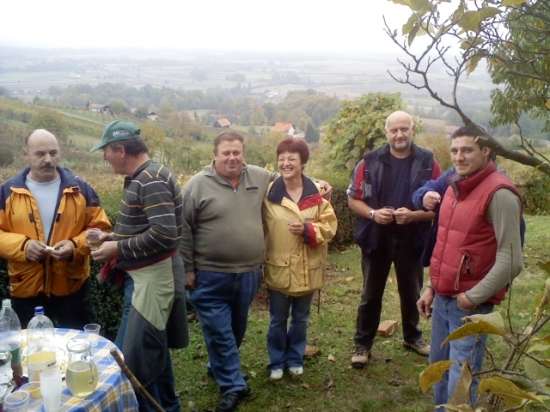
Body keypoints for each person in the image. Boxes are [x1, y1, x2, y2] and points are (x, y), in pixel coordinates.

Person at [416, 125, 523, 408]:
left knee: (461, 379)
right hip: (442, 298)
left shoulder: (500, 193)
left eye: (467, 150)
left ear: (486, 151)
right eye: (454, 150)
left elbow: (512, 259)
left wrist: (471, 298)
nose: (459, 157)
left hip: (470, 306)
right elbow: (445, 244)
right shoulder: (454, 185)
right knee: (438, 367)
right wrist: (431, 287)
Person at [90, 120, 188, 412]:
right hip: (143, 279)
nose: (105, 157)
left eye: (107, 151)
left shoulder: (151, 180)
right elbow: (147, 227)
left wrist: (116, 248)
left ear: (121, 149)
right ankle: (169, 407)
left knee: (136, 362)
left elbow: (164, 234)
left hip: (152, 282)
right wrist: (110, 236)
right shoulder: (143, 176)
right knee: (153, 350)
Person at [347, 111, 441, 368]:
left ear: (412, 130)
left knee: (411, 292)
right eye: (394, 130)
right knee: (370, 294)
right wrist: (374, 214)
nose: (399, 135)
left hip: (413, 238)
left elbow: (441, 206)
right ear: (386, 132)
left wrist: (413, 216)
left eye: (404, 129)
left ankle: (413, 338)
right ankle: (362, 344)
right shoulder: (368, 162)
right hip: (375, 237)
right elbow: (353, 200)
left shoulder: (429, 162)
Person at [0, 129, 111, 328]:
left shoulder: (81, 189)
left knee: (77, 343)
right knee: (30, 346)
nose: (48, 159)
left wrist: (74, 246)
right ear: (26, 154)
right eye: (40, 154)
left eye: (53, 153)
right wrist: (23, 247)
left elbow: (100, 229)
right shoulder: (7, 192)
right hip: (26, 290)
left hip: (73, 290)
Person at [263, 138, 337, 381]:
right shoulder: (268, 194)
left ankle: (295, 358)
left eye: (291, 159)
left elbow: (330, 227)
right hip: (279, 268)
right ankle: (276, 361)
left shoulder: (317, 195)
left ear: (303, 163)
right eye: (282, 159)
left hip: (308, 268)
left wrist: (308, 229)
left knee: (301, 319)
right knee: (277, 320)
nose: (286, 163)